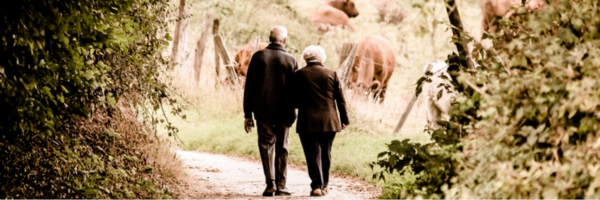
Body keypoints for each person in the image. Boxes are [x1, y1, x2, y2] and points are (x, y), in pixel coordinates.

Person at [243, 26, 298, 197]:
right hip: (285, 111)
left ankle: (270, 183)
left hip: (263, 110)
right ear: (285, 40)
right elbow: (296, 89)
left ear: (269, 38)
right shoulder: (291, 60)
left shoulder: (258, 57)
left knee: (266, 145)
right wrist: (294, 108)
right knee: (282, 146)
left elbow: (249, 88)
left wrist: (247, 114)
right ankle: (282, 186)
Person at [294, 45, 349, 197]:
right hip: (329, 121)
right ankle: (325, 185)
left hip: (307, 121)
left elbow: (294, 100)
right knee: (326, 152)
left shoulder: (298, 74)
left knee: (312, 154)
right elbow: (341, 100)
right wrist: (344, 119)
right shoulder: (332, 73)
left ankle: (316, 186)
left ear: (305, 58)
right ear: (321, 58)